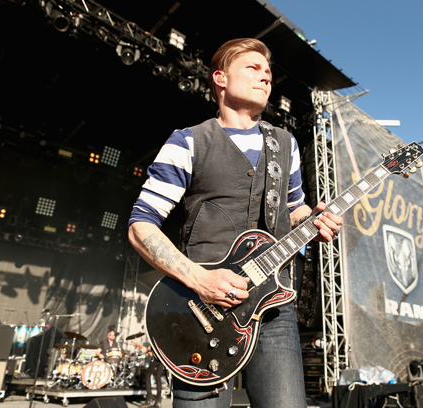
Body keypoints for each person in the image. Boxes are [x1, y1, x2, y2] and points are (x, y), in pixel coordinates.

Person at [128, 38, 343, 408]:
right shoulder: (188, 142)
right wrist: (200, 278)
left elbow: (293, 210)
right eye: (253, 68)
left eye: (269, 72)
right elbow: (140, 225)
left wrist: (314, 219)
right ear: (221, 78)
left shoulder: (285, 144)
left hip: (272, 309)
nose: (266, 77)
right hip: (199, 311)